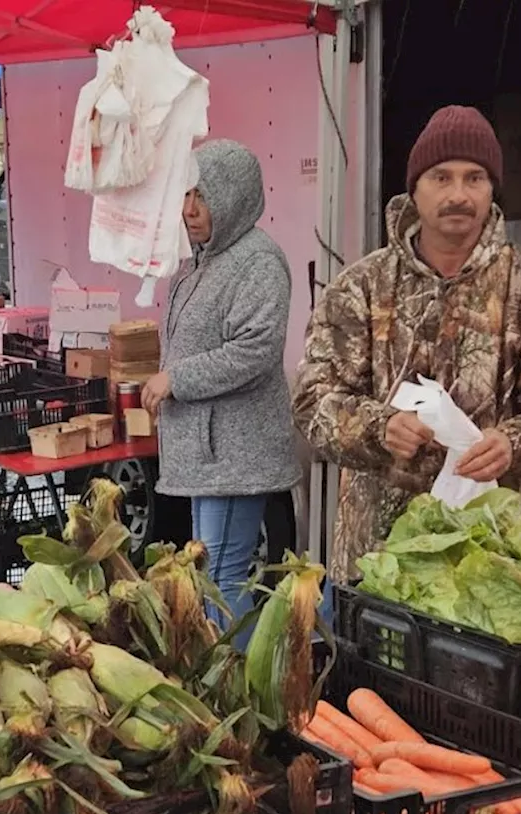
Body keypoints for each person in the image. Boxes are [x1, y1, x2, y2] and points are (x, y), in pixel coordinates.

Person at [292, 105, 521, 586]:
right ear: (415, 190)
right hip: (373, 560)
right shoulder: (361, 288)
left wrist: (515, 443)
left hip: (487, 556)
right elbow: (312, 399)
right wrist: (380, 428)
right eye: (441, 177)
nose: (459, 195)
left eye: (475, 177)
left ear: (492, 189)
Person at [141, 139, 301, 644]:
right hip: (205, 454)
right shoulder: (201, 261)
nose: (189, 210)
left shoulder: (257, 262)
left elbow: (254, 352)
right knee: (210, 573)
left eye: (202, 197)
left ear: (232, 198)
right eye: (185, 195)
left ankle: (242, 694)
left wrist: (176, 380)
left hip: (234, 454)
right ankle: (227, 685)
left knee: (222, 579)